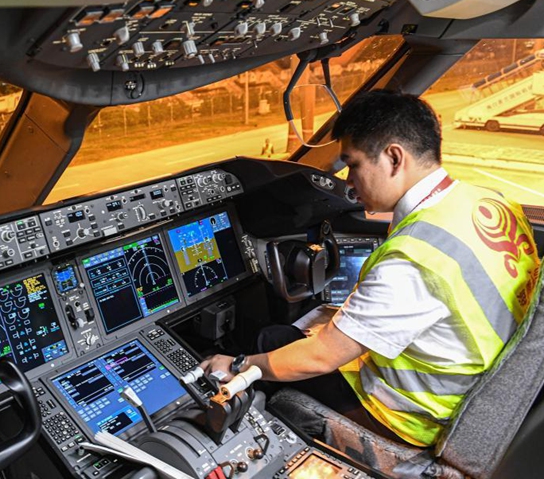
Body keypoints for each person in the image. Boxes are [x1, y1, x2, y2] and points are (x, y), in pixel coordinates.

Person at [201, 90, 540, 447]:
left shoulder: (413, 258)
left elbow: (319, 358)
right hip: (479, 390)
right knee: (286, 342)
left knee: (269, 342)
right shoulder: (490, 202)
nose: (348, 182)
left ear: (394, 157)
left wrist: (235, 365)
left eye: (354, 165)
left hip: (415, 418)